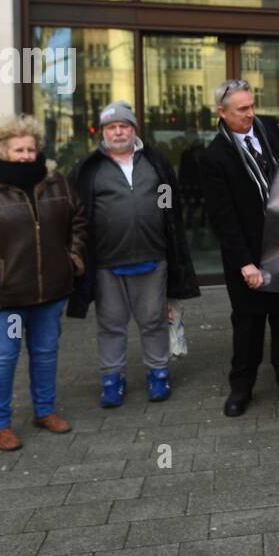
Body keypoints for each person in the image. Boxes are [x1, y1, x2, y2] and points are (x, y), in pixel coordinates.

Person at [0, 115, 86, 451]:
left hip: (50, 292)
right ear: (1, 150)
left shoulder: (56, 183)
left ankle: (45, 411)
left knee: (45, 353)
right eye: (19, 149)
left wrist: (73, 259)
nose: (26, 155)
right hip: (6, 298)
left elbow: (79, 222)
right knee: (2, 358)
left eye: (31, 149)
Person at [66, 101, 200, 406]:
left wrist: (171, 242)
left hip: (153, 259)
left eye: (123, 126)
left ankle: (158, 375)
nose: (117, 132)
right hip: (107, 264)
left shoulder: (155, 162)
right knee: (111, 324)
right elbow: (74, 214)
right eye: (111, 127)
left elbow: (170, 207)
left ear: (133, 129)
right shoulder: (89, 169)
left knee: (153, 321)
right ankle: (112, 380)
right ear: (103, 132)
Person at [201, 80, 279, 416]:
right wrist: (245, 263)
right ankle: (240, 389)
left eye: (252, 105)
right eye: (242, 109)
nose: (251, 114)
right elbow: (223, 218)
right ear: (222, 112)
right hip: (247, 256)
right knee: (248, 327)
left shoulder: (269, 129)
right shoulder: (215, 156)